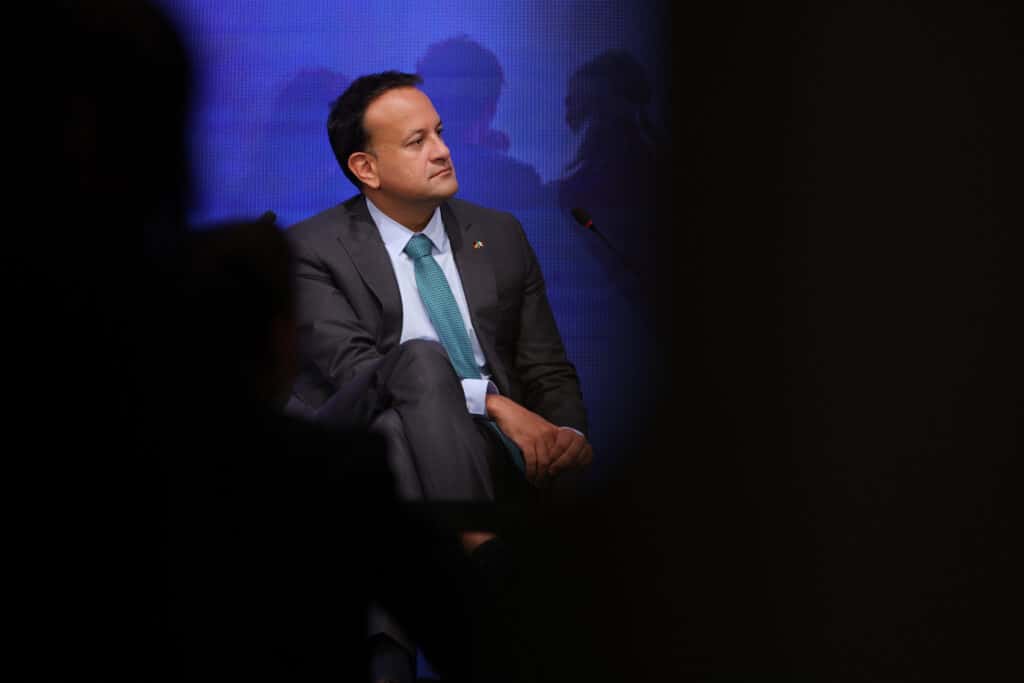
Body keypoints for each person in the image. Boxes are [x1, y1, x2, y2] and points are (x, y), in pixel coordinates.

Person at [286, 70, 593, 681]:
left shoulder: (499, 234)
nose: (443, 150)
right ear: (365, 168)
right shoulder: (311, 248)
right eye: (416, 141)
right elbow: (359, 374)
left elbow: (546, 365)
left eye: (440, 133)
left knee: (393, 457)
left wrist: (564, 435)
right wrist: (498, 403)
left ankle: (390, 662)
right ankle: (479, 553)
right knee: (414, 372)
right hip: (359, 440)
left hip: (464, 458)